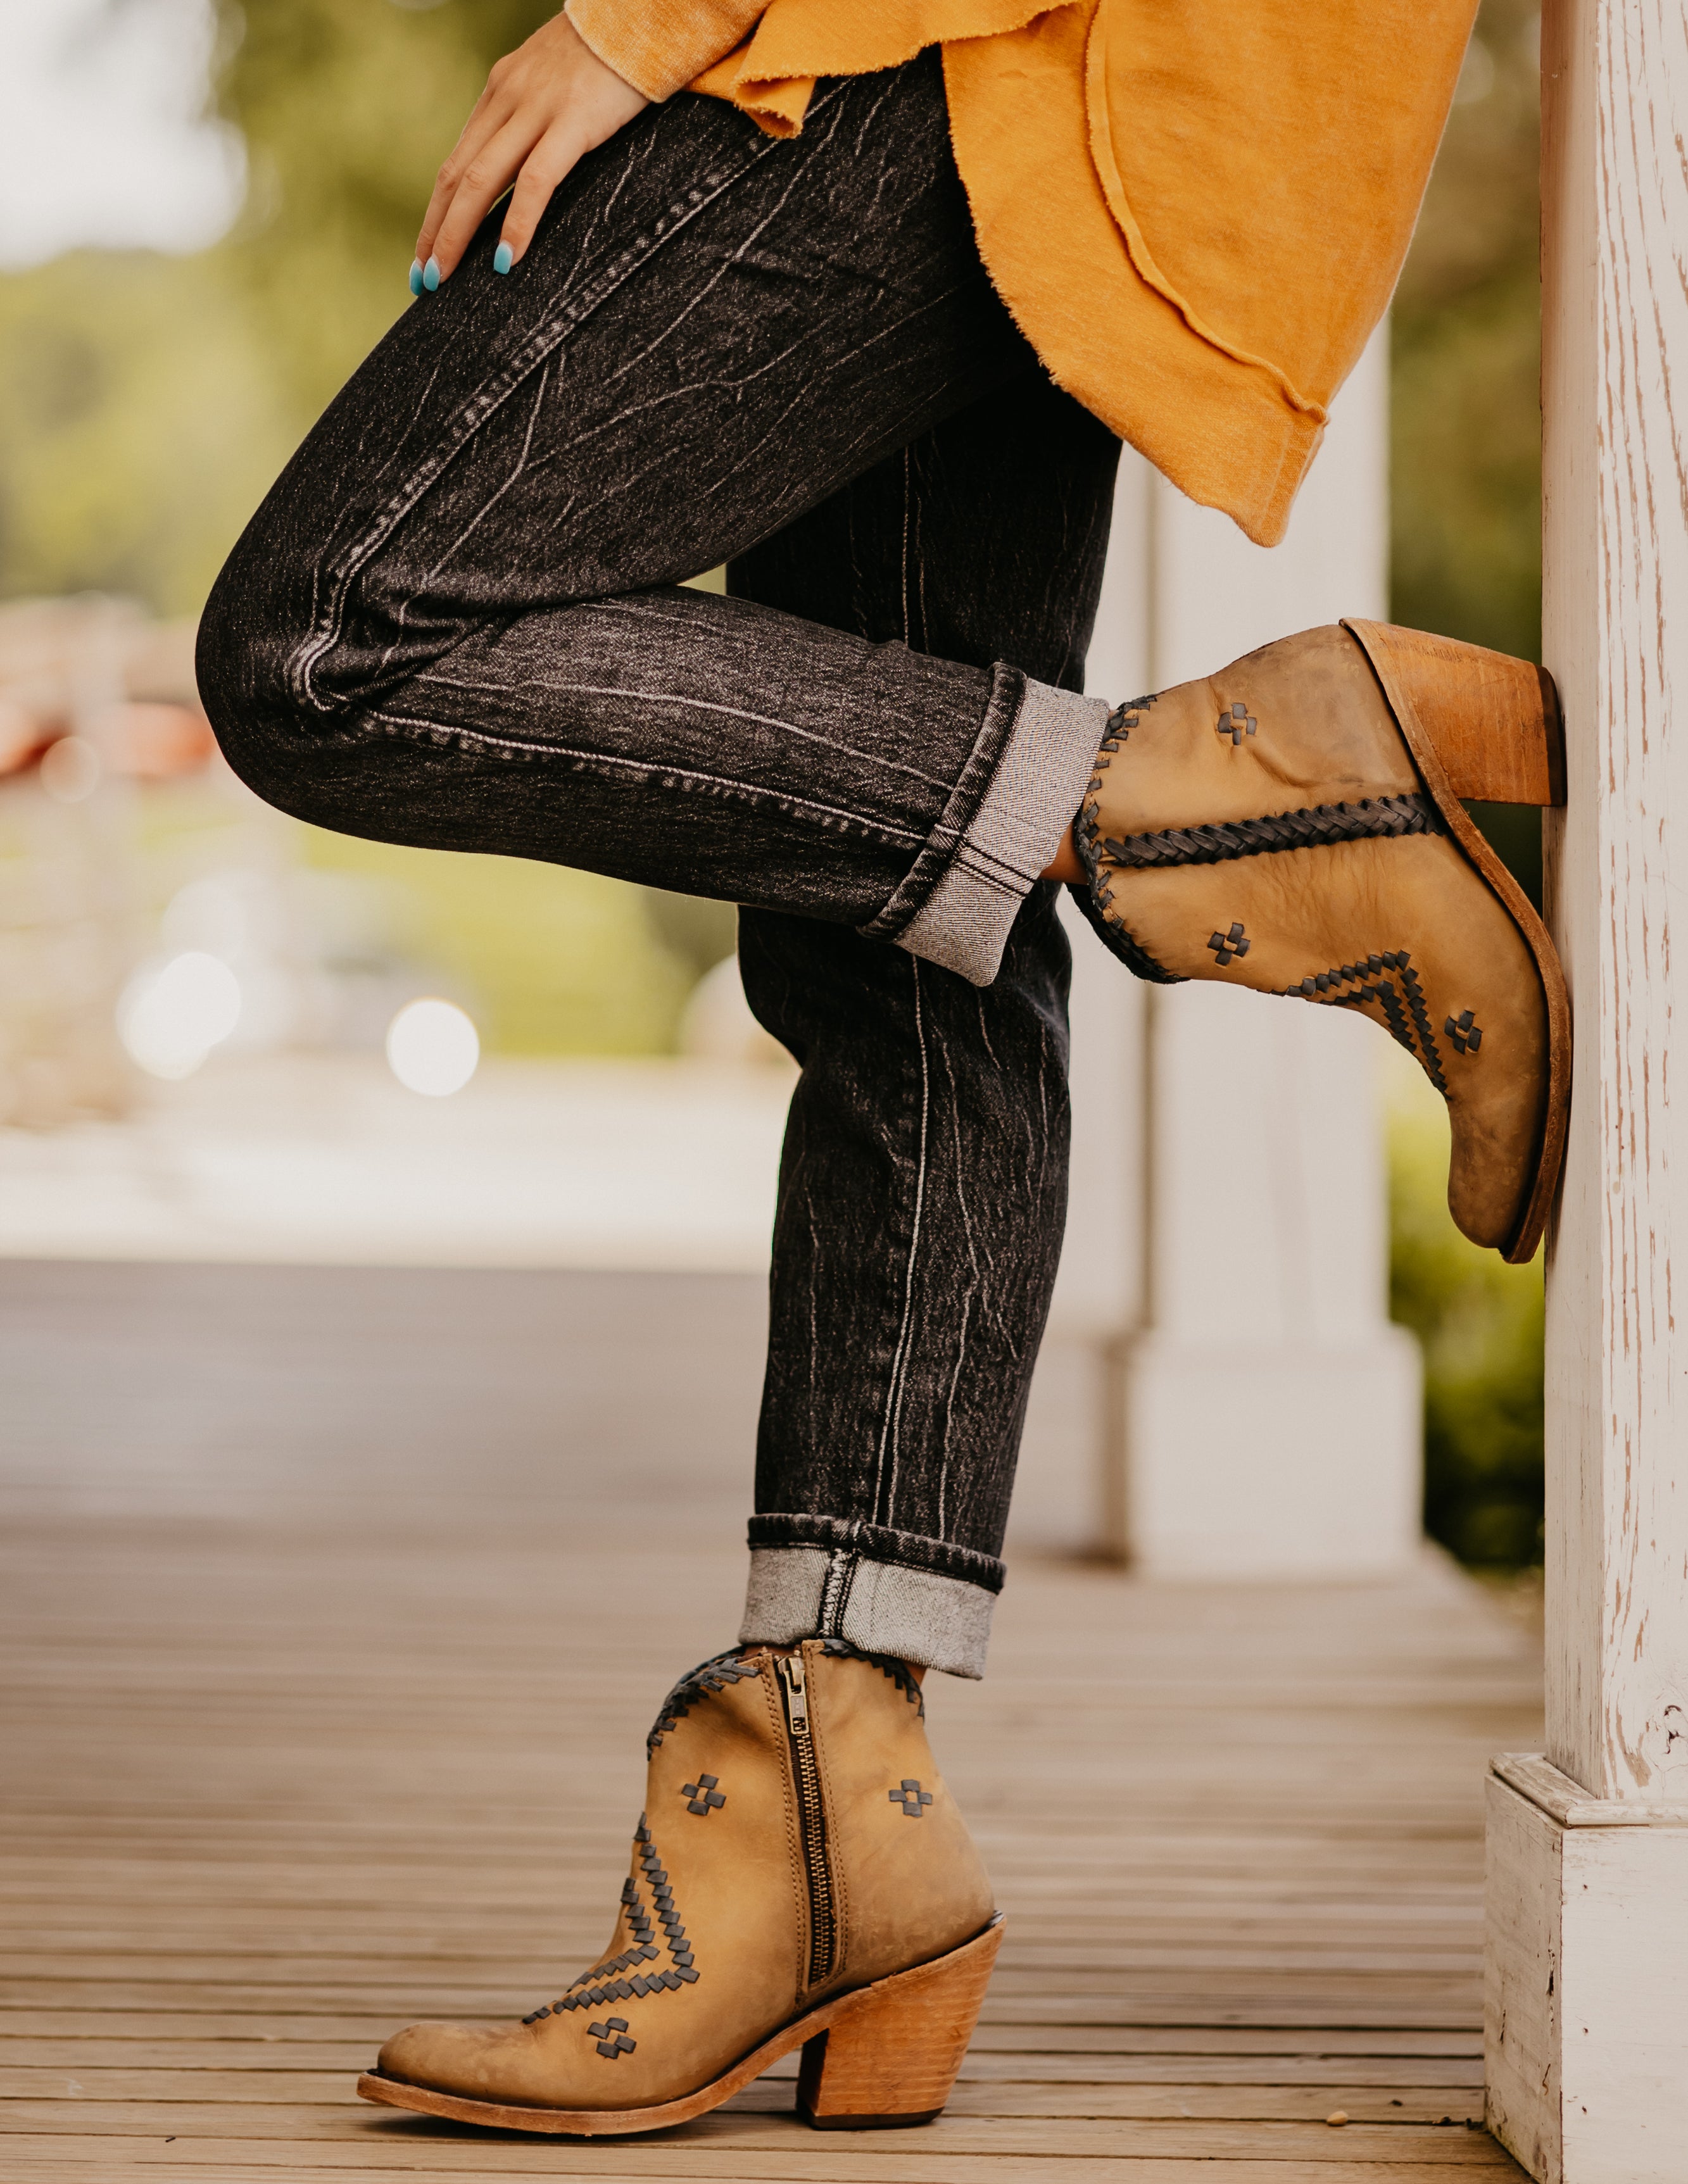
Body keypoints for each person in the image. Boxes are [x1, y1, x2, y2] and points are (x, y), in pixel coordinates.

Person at [195, 1, 1568, 2138]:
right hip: (1087, 88)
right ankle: (826, 1818)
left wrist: (643, 23)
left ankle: (1210, 803)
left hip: (915, 47)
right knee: (911, 918)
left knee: (336, 634)